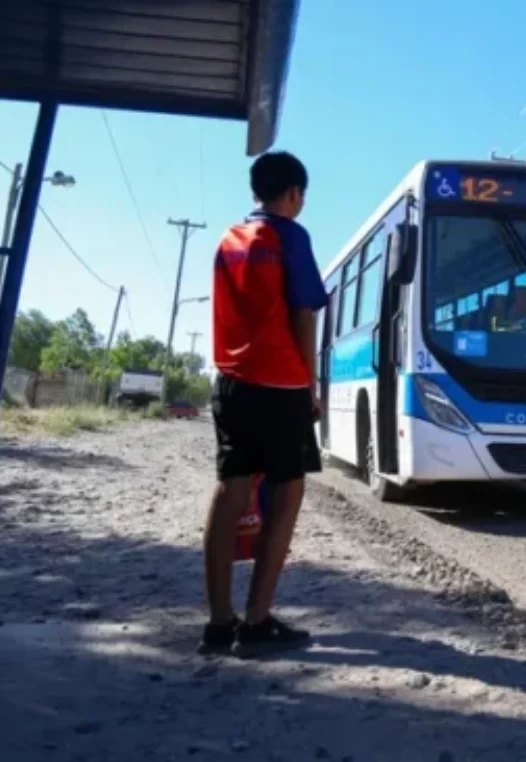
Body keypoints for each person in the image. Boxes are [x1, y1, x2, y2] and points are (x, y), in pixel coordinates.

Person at [198, 151, 328, 658]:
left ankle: (217, 624)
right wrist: (310, 384)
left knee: (230, 491)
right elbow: (304, 314)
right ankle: (255, 623)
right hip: (281, 386)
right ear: (294, 194)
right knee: (286, 496)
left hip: (230, 382)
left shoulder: (228, 240)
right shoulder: (291, 236)